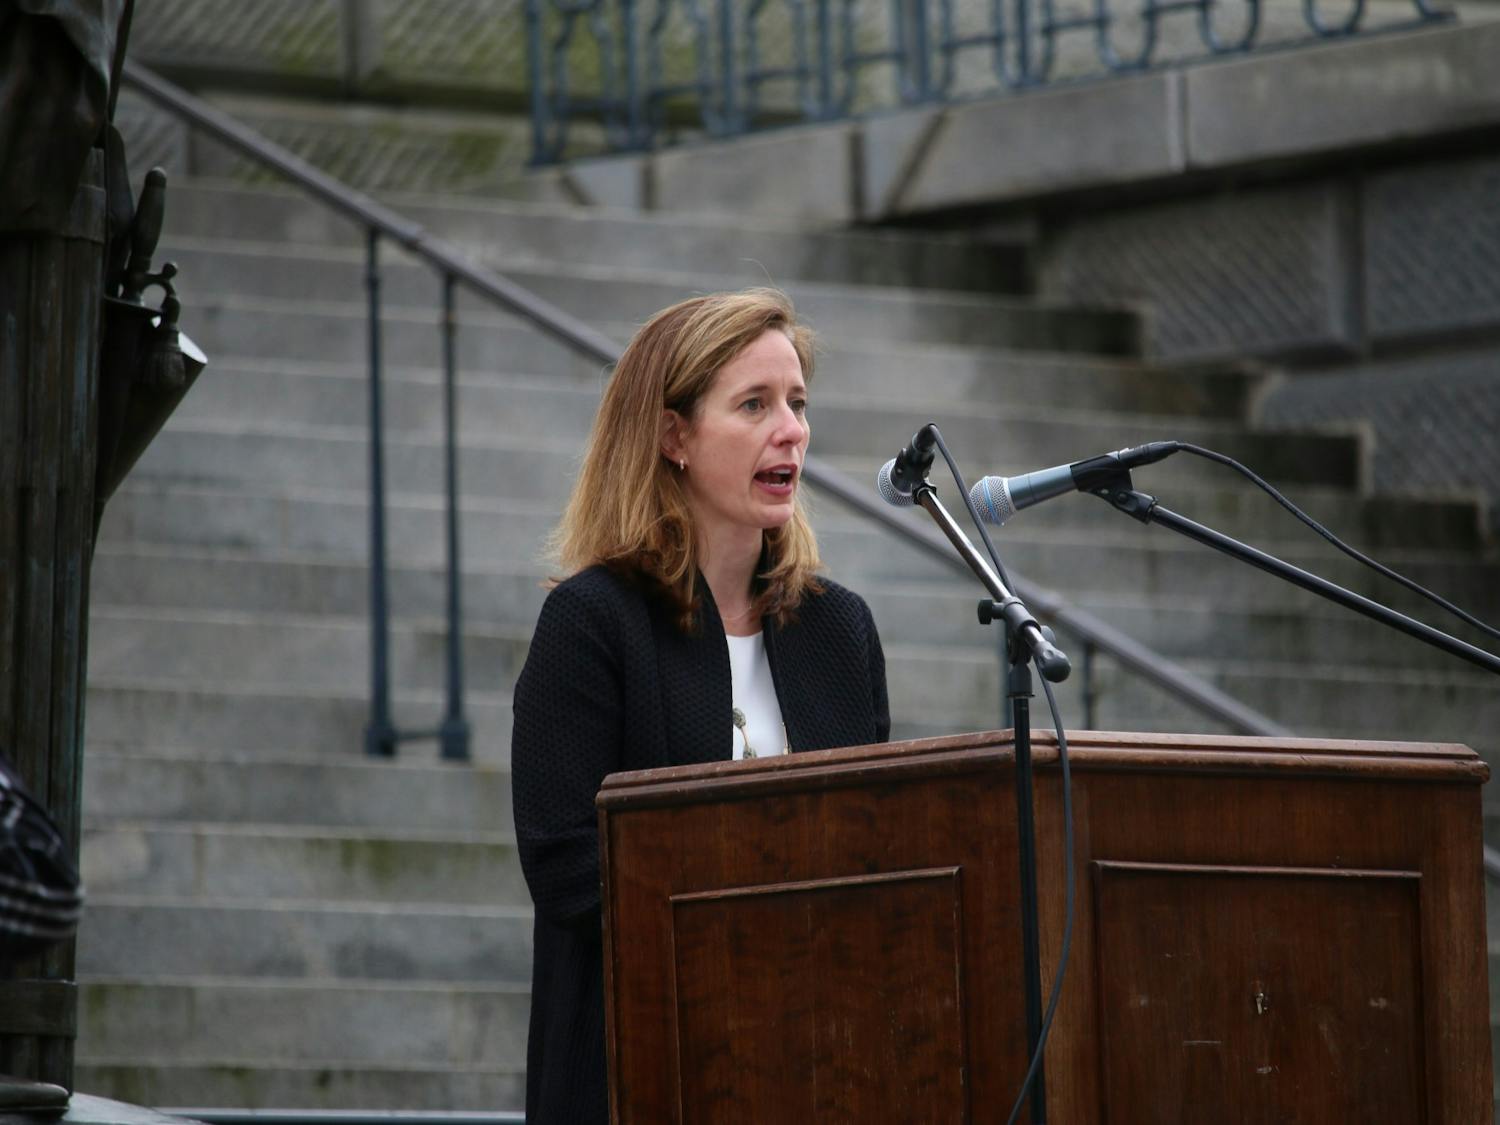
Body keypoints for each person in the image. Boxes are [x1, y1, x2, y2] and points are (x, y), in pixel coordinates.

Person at [511, 287, 890, 1123]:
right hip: (643, 1071)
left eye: (797, 403)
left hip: (821, 1073)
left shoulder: (838, 628)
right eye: (753, 404)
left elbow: (878, 846)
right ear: (673, 435)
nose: (789, 428)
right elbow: (568, 870)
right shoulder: (592, 622)